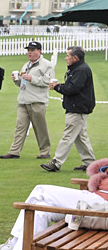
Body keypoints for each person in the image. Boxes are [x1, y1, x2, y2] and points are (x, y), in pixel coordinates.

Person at [0, 159, 108, 250]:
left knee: (40, 190)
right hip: (92, 202)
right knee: (39, 209)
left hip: (100, 206)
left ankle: (15, 243)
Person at [41, 45, 96, 173]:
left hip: (77, 108)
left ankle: (56, 162)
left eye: (68, 56)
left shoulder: (81, 70)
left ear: (75, 58)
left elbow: (72, 89)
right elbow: (73, 86)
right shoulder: (78, 68)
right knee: (80, 137)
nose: (66, 58)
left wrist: (57, 87)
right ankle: (90, 163)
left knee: (68, 136)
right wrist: (60, 86)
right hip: (78, 107)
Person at [0, 40, 52, 160]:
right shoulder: (25, 65)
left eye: (32, 50)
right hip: (23, 101)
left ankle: (45, 151)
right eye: (28, 50)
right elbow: (23, 84)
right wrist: (17, 80)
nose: (29, 53)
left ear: (39, 51)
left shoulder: (46, 65)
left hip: (37, 101)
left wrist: (32, 78)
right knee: (20, 127)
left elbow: (48, 82)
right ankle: (14, 151)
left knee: (40, 128)